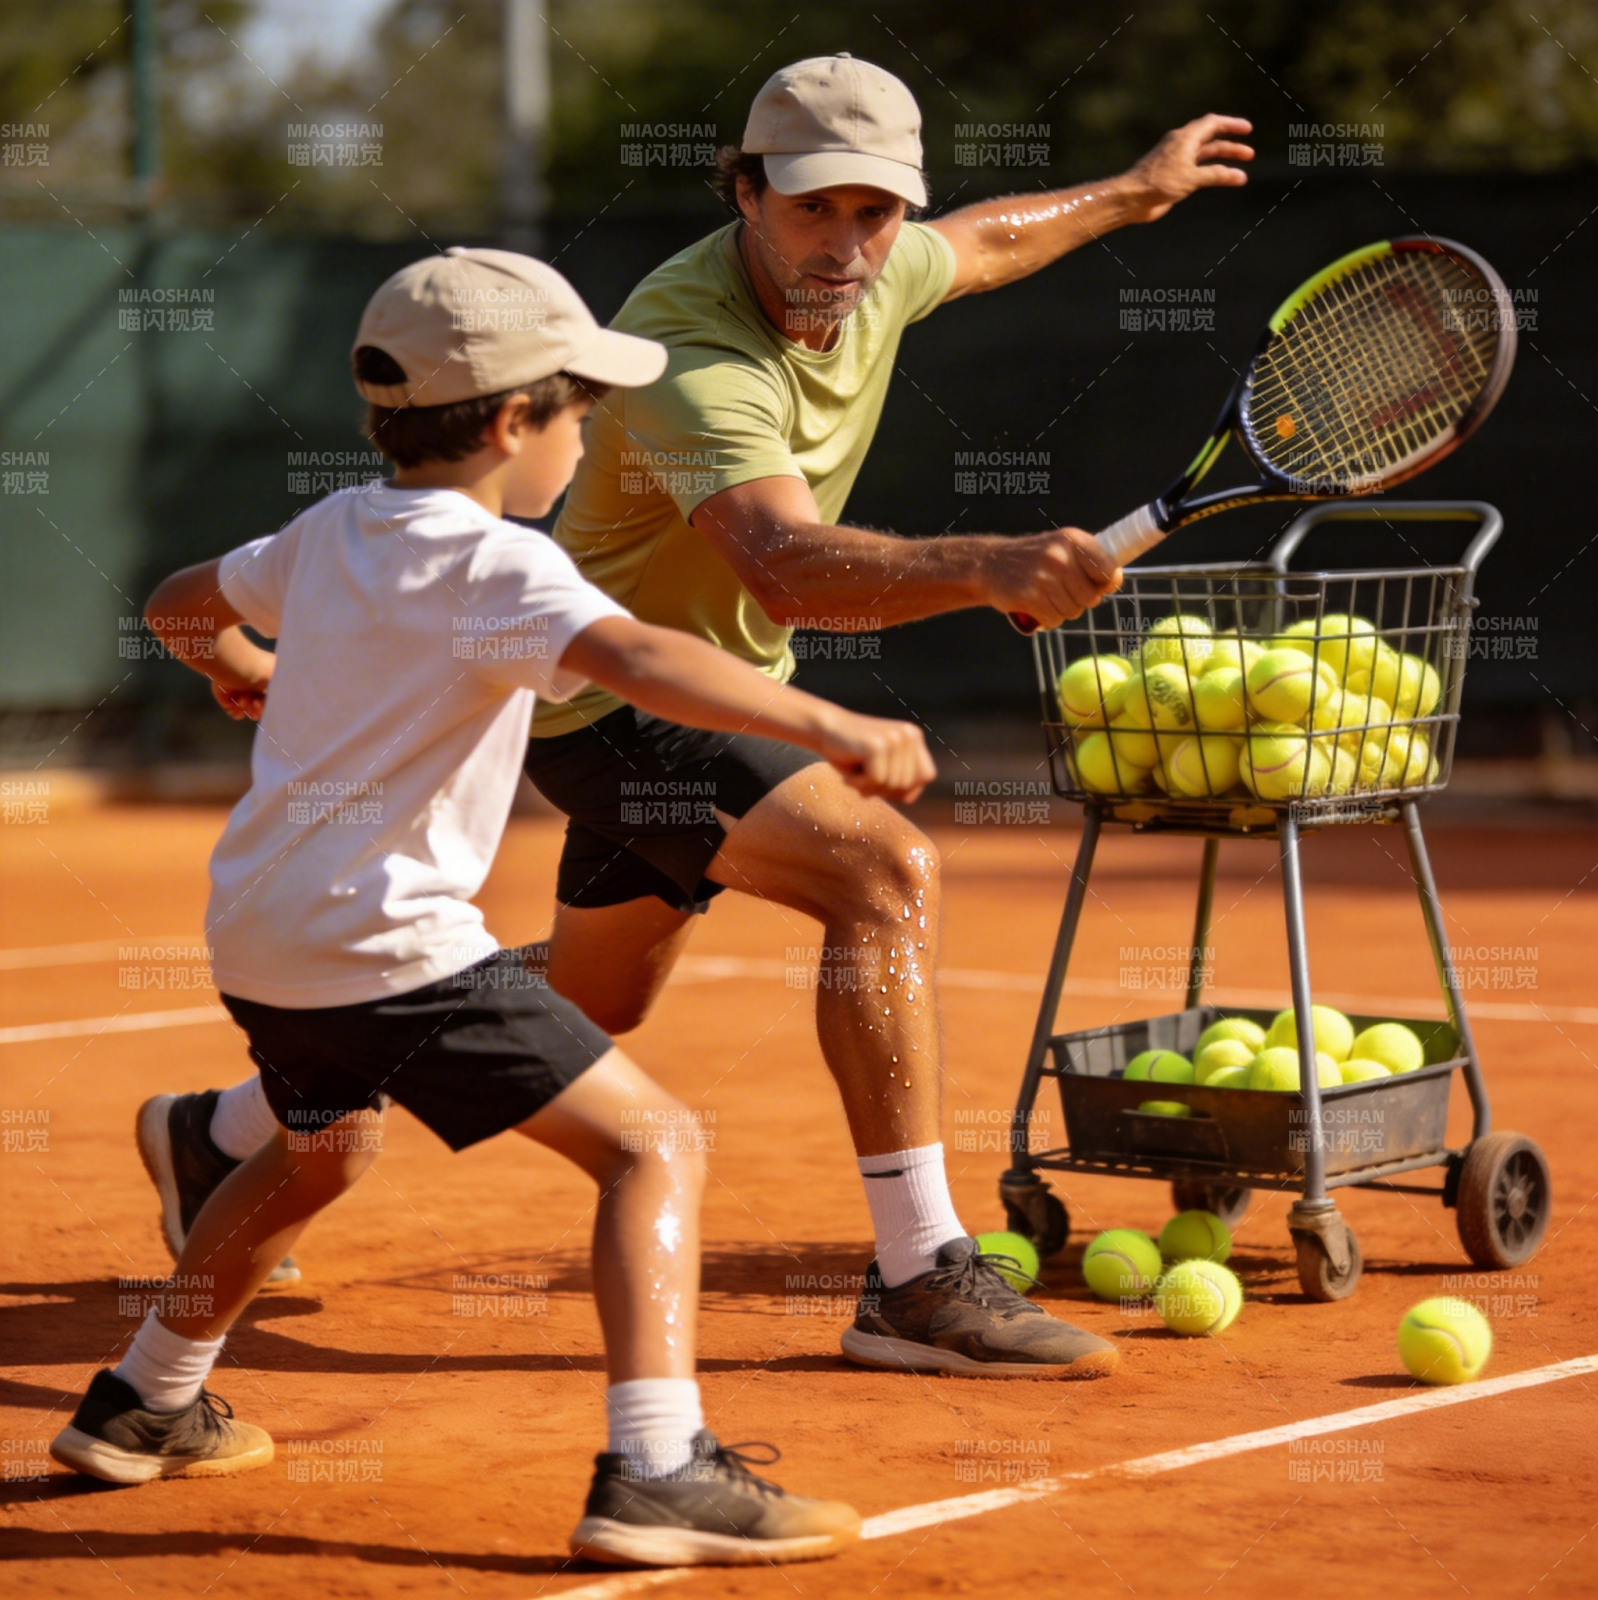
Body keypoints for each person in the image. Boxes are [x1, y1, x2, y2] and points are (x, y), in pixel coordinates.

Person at [139, 56, 1252, 1379]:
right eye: (813, 210)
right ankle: (921, 1276)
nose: (847, 246)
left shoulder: (880, 264)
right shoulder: (685, 352)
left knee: (592, 1008)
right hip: (619, 699)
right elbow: (787, 568)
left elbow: (984, 243)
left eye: (874, 212)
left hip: (699, 691)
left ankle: (218, 1130)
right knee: (885, 873)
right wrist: (988, 566)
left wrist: (1133, 192)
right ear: (744, 192)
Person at [53, 248, 944, 1567]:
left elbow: (182, 607)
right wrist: (831, 721)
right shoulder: (501, 566)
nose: (587, 437)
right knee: (653, 1149)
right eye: (581, 411)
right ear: (519, 422)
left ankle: (143, 1403)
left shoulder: (325, 533)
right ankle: (657, 1470)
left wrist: (241, 666)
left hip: (260, 931)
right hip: (388, 947)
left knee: (313, 1150)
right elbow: (642, 657)